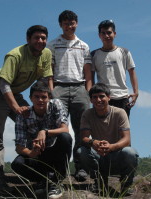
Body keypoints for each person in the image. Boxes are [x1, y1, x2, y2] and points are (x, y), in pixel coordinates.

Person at [0, 25, 52, 194]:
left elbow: (45, 80)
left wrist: (49, 103)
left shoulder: (47, 54)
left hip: (16, 92)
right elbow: (5, 83)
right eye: (36, 38)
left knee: (35, 126)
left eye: (43, 38)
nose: (40, 41)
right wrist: (15, 107)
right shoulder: (15, 55)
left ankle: (38, 170)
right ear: (28, 40)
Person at [47, 10, 92, 181]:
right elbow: (49, 70)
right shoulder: (53, 44)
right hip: (59, 87)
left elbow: (88, 72)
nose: (69, 26)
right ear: (60, 25)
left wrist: (88, 91)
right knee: (58, 127)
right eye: (66, 23)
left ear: (77, 23)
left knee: (82, 128)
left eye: (72, 22)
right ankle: (59, 168)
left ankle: (81, 167)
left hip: (79, 88)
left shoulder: (83, 45)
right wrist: (52, 90)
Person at [11, 81, 72, 199]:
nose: (40, 100)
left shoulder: (56, 105)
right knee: (17, 164)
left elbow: (65, 129)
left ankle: (57, 181)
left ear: (49, 97)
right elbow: (19, 146)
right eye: (36, 97)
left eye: (44, 97)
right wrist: (31, 153)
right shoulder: (23, 115)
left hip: (54, 153)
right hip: (37, 155)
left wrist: (45, 132)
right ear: (30, 98)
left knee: (65, 138)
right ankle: (43, 180)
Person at [77, 83, 139, 196]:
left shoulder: (120, 112)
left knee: (130, 152)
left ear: (109, 97)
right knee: (82, 151)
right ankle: (99, 181)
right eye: (94, 97)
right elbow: (83, 138)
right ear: (90, 100)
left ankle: (126, 185)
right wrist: (94, 142)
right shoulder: (87, 114)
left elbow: (127, 139)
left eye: (102, 96)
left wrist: (111, 147)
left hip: (116, 155)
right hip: (99, 155)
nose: (98, 100)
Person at [91, 20, 139, 117]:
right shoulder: (94, 55)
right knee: (103, 129)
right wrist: (92, 95)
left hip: (122, 97)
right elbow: (91, 77)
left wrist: (136, 92)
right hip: (102, 98)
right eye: (103, 33)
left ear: (115, 34)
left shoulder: (124, 52)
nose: (106, 36)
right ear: (99, 35)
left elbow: (132, 72)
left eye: (109, 33)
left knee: (122, 129)